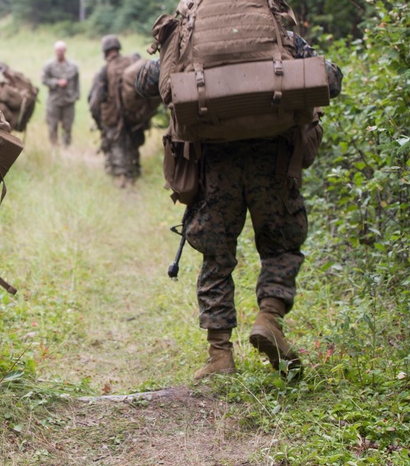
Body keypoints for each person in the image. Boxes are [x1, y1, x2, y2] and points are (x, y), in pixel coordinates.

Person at [136, 32, 343, 380]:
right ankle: (269, 318)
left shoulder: (191, 37)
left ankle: (220, 355)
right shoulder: (281, 36)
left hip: (215, 164)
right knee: (281, 247)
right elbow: (332, 79)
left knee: (216, 257)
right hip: (274, 159)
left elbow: (145, 82)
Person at [88, 34, 144, 187]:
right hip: (134, 114)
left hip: (113, 116)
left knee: (116, 145)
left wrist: (99, 121)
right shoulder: (132, 63)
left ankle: (121, 177)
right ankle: (133, 173)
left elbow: (94, 101)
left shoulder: (104, 71)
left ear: (105, 51)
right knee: (132, 143)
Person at [40, 40, 80, 146]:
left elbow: (77, 82)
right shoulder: (49, 65)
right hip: (54, 100)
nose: (59, 53)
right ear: (55, 51)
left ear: (65, 51)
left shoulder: (73, 66)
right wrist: (56, 82)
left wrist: (76, 96)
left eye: (61, 50)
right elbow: (43, 80)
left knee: (67, 126)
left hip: (68, 100)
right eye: (57, 50)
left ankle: (66, 146)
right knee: (52, 125)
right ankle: (54, 146)